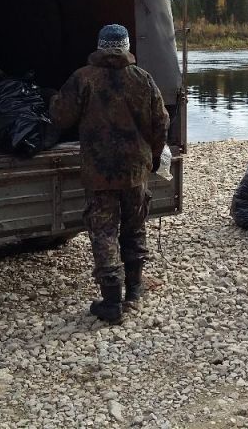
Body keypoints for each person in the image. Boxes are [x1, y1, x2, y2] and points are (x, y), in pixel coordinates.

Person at [50, 24, 170, 323]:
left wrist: (52, 98)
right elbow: (161, 123)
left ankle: (112, 300)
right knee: (134, 227)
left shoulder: (83, 78)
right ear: (127, 46)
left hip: (99, 172)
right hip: (135, 170)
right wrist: (153, 157)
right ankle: (135, 290)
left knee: (104, 233)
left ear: (101, 46)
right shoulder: (143, 78)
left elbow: (60, 117)